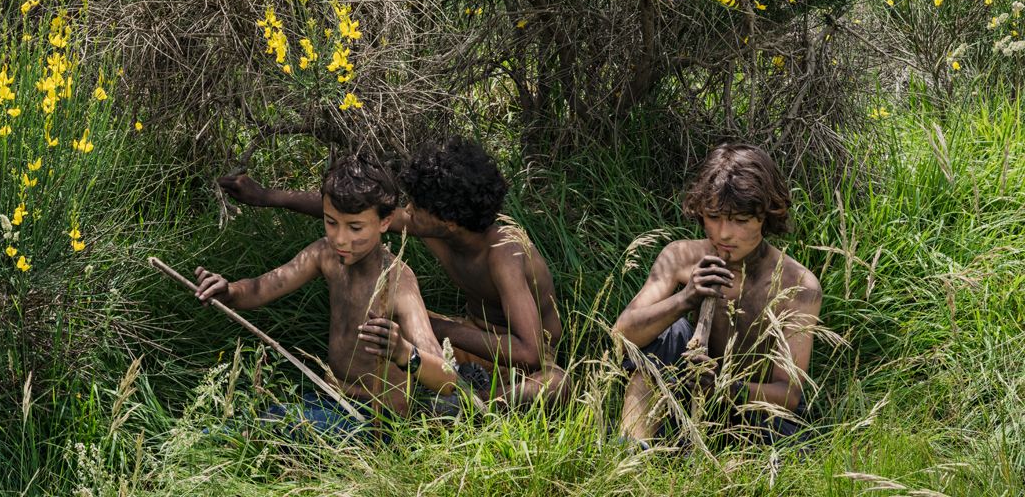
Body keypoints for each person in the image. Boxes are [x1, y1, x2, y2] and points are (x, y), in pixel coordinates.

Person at [219, 137, 567, 406]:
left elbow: (530, 351)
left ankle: (481, 410)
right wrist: (267, 197)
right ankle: (432, 398)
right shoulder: (437, 227)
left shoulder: (503, 252)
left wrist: (438, 325)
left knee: (554, 382)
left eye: (418, 207)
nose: (408, 211)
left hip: (527, 361)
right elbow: (358, 212)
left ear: (447, 221)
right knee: (390, 323)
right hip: (473, 343)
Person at [194, 153, 466, 432]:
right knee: (263, 417)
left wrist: (403, 351)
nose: (340, 239)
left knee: (266, 428)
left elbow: (446, 379)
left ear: (385, 222)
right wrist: (228, 290)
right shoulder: (325, 254)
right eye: (331, 222)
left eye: (355, 227)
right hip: (333, 397)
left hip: (375, 420)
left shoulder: (398, 283)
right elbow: (261, 288)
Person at [612, 143, 823, 446]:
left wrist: (726, 388)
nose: (724, 233)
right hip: (682, 399)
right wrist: (685, 299)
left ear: (766, 216)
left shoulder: (798, 285)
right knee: (670, 332)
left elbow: (788, 394)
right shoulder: (681, 256)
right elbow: (623, 336)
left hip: (753, 409)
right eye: (714, 217)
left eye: (740, 221)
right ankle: (633, 449)